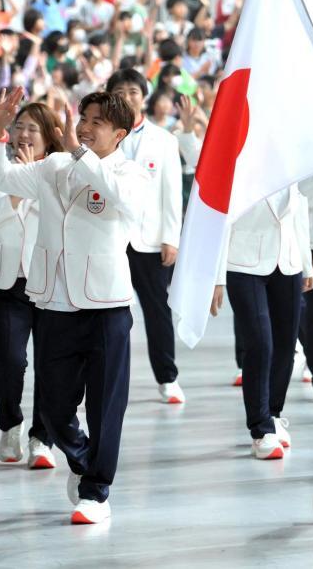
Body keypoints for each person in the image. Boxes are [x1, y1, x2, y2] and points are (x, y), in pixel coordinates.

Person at [0, 86, 147, 525]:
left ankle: (96, 491)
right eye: (84, 117)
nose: (87, 127)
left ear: (121, 133)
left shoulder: (131, 173)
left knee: (106, 406)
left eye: (98, 121)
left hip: (107, 302)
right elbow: (0, 180)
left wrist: (80, 153)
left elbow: (122, 200)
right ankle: (83, 457)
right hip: (53, 299)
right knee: (55, 408)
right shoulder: (53, 166)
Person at [0, 102, 64, 468]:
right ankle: (10, 423)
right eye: (19, 126)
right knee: (11, 360)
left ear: (49, 138)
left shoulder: (58, 172)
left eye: (33, 130)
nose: (24, 135)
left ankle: (43, 438)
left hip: (50, 281)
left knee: (51, 364)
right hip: (8, 282)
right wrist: (15, 189)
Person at [211, 185, 313, 460]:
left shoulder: (292, 163)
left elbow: (299, 213)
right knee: (259, 344)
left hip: (288, 263)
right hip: (243, 264)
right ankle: (260, 429)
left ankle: (274, 413)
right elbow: (223, 220)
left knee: (285, 345)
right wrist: (217, 277)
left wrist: (306, 262)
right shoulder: (242, 163)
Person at [115, 69, 186, 404]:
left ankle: (167, 377)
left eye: (133, 91)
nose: (127, 97)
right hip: (110, 239)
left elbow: (172, 193)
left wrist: (171, 237)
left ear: (143, 96)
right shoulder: (100, 136)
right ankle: (111, 377)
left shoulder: (164, 140)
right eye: (120, 91)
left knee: (158, 310)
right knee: (109, 312)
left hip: (149, 240)